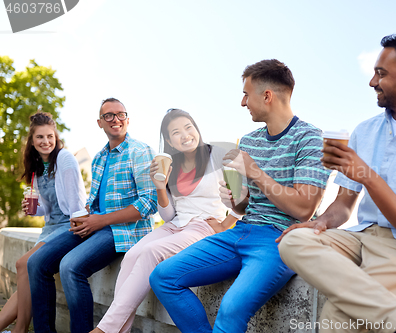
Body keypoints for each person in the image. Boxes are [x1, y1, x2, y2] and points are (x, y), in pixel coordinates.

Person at [278, 31, 396, 333]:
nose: (372, 82)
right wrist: (321, 222)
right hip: (363, 237)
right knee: (294, 240)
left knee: (337, 320)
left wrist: (367, 176)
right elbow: (344, 205)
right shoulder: (365, 130)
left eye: (381, 74)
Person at [149, 59, 330, 333]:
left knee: (230, 310)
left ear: (267, 96)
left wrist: (255, 172)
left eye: (246, 94)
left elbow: (304, 208)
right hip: (241, 232)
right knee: (163, 277)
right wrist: (236, 199)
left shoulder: (310, 138)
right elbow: (247, 205)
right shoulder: (248, 141)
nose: (243, 102)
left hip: (280, 239)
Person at [90, 108, 241, 333]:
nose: (185, 135)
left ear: (196, 129)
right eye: (176, 132)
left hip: (204, 226)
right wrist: (160, 185)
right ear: (169, 140)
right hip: (175, 225)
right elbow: (168, 215)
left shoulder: (218, 154)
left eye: (188, 127)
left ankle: (103, 330)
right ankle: (118, 331)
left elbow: (240, 194)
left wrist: (225, 224)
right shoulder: (171, 164)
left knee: (151, 253)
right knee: (131, 256)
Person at [27, 98, 157, 333]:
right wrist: (85, 215)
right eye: (109, 115)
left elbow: (149, 203)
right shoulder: (99, 158)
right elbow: (93, 203)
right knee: (36, 262)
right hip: (97, 225)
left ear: (128, 119)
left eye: (120, 114)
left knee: (70, 266)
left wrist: (100, 220)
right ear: (100, 123)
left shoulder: (140, 151)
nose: (115, 119)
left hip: (124, 231)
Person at [0, 112, 86, 333]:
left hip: (68, 225)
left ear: (56, 137)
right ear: (32, 140)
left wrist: (79, 227)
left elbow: (76, 200)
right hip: (49, 227)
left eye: (50, 136)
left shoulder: (64, 158)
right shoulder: (38, 166)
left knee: (22, 264)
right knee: (26, 277)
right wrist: (32, 208)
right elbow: (47, 209)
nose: (46, 141)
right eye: (40, 137)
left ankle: (20, 329)